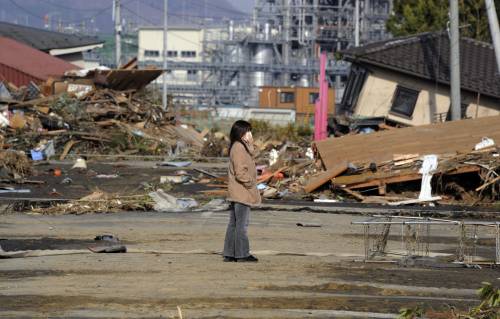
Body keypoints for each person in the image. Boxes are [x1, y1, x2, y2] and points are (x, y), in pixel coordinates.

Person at [223, 120, 261, 262]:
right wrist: (251, 183)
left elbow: (254, 155)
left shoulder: (240, 146)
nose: (250, 134)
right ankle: (242, 254)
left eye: (250, 131)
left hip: (237, 192)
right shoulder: (238, 148)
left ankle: (230, 254)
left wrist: (250, 144)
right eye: (247, 131)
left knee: (234, 224)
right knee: (241, 225)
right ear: (240, 133)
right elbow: (240, 172)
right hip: (242, 192)